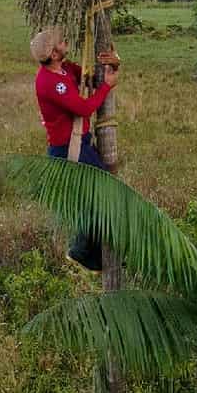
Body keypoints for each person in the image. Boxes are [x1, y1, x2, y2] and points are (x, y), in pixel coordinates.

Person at [30, 26, 120, 271]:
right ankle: (81, 249)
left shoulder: (65, 69)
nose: (65, 41)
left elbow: (89, 78)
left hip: (80, 144)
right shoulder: (50, 82)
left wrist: (113, 64)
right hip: (69, 150)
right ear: (54, 54)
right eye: (61, 42)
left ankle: (95, 254)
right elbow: (83, 108)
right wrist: (106, 88)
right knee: (102, 193)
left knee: (96, 198)